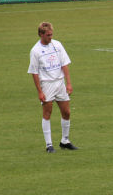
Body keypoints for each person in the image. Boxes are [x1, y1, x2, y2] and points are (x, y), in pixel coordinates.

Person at [28, 22, 78, 153]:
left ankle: (65, 141)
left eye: (51, 35)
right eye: (48, 35)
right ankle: (49, 145)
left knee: (66, 112)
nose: (50, 37)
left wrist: (69, 83)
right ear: (41, 34)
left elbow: (64, 64)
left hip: (60, 83)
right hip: (47, 84)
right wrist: (39, 91)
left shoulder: (57, 45)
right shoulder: (35, 51)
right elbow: (34, 72)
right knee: (47, 113)